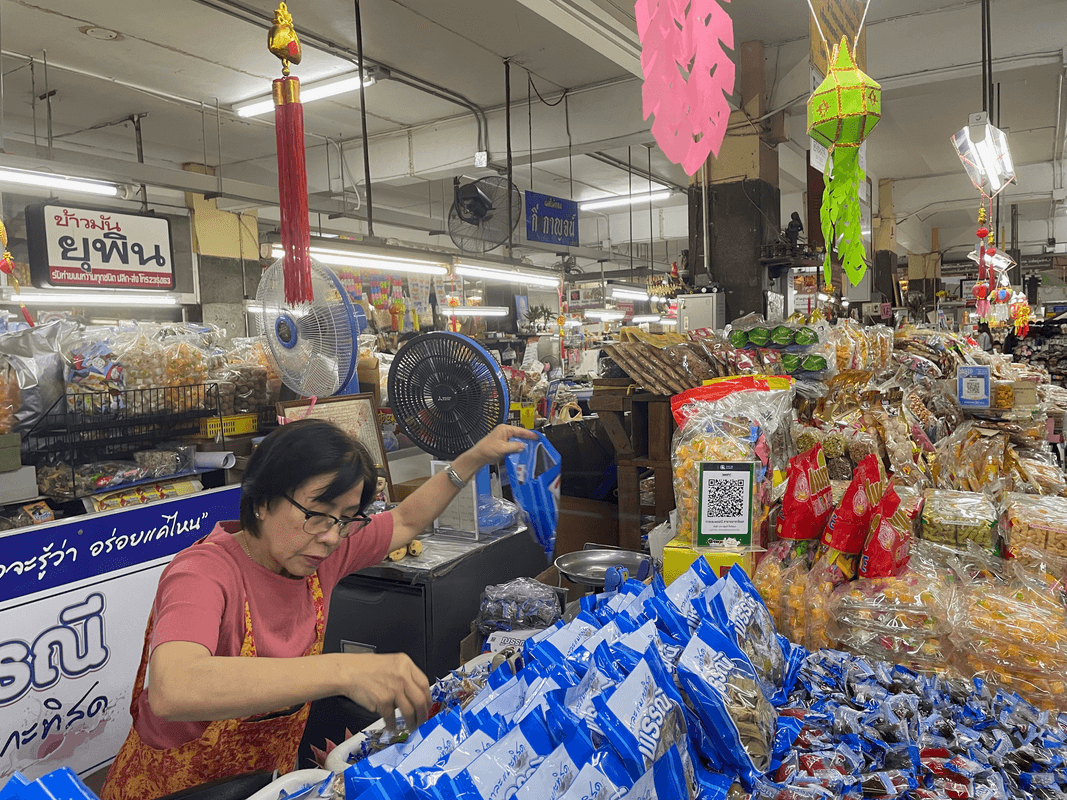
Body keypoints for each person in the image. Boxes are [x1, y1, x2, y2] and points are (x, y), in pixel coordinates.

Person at [101, 419, 537, 800]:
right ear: (262, 500)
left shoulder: (319, 555)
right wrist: (344, 671)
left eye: (345, 518)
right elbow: (174, 688)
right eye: (317, 513)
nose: (330, 536)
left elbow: (406, 520)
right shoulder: (203, 572)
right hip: (174, 789)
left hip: (268, 785)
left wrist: (475, 457)